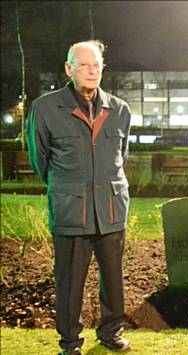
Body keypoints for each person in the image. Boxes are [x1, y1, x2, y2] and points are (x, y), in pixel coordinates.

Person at [27, 40, 132, 355]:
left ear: (103, 69)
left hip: (111, 209)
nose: (91, 70)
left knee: (113, 281)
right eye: (84, 64)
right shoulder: (45, 108)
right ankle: (70, 342)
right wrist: (68, 187)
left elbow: (121, 157)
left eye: (96, 65)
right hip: (72, 210)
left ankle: (112, 333)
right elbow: (39, 161)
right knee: (70, 283)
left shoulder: (120, 109)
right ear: (68, 68)